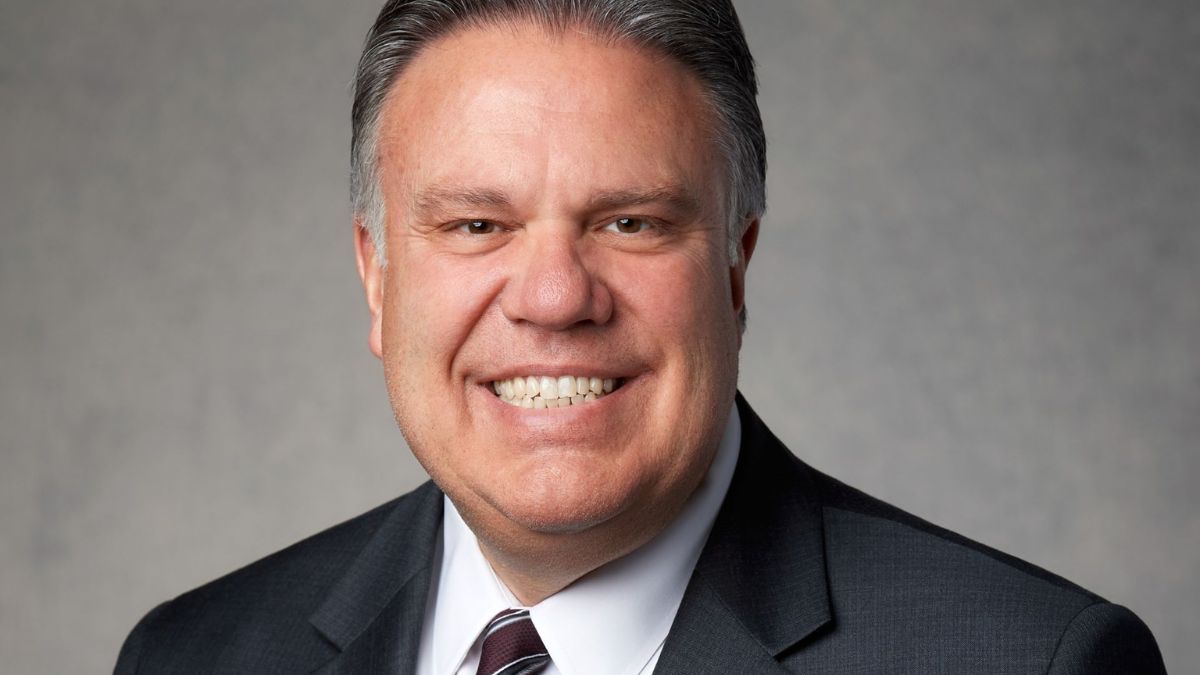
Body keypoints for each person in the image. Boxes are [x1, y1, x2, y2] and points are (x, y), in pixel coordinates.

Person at [114, 1, 1166, 673]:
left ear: (736, 265)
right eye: (476, 225)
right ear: (377, 276)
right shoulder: (194, 655)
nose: (555, 297)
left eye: (632, 223)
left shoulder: (1027, 660)